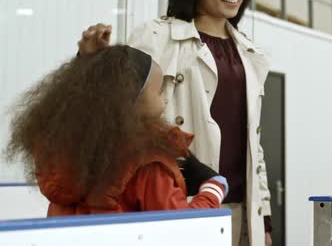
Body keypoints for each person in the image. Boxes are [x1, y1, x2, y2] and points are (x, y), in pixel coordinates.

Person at [77, 0, 272, 246]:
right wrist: (86, 62)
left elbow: (254, 145)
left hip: (242, 207)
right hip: (179, 200)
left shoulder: (251, 53)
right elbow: (115, 109)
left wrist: (265, 220)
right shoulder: (155, 37)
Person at [6, 45, 228, 216]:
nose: (165, 99)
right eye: (159, 91)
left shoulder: (62, 156)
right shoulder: (149, 165)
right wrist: (212, 191)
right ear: (127, 104)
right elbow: (179, 228)